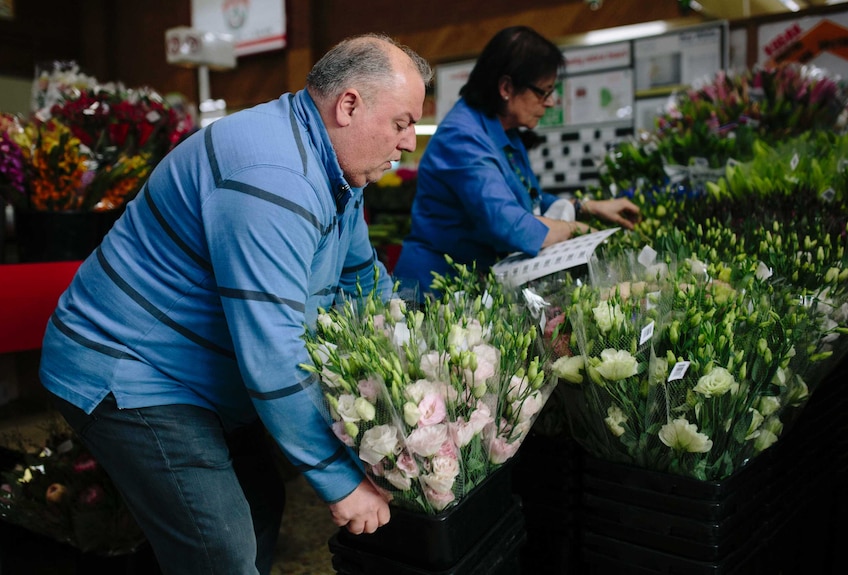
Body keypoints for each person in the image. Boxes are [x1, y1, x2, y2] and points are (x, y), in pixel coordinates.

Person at [38, 34, 432, 575]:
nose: (409, 142)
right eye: (403, 122)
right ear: (349, 105)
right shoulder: (274, 176)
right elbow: (273, 352)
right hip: (129, 370)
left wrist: (417, 366)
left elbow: (362, 277)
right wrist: (342, 482)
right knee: (218, 547)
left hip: (196, 370)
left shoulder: (336, 170)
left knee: (257, 507)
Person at [394, 26, 640, 294]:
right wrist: (577, 230)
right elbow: (509, 224)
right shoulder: (461, 137)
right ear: (506, 87)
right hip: (435, 287)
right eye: (543, 92)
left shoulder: (505, 131)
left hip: (475, 283)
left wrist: (586, 207)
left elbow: (527, 199)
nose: (549, 103)